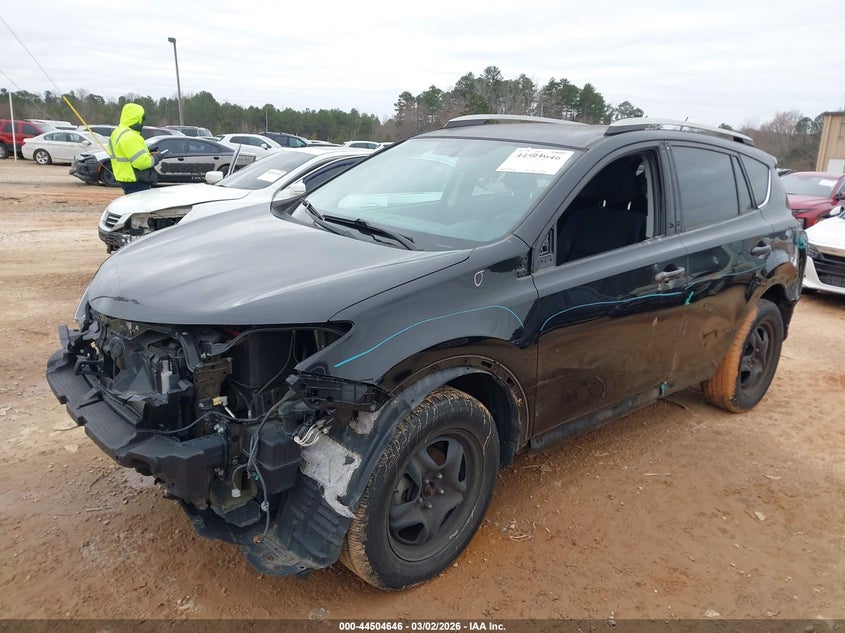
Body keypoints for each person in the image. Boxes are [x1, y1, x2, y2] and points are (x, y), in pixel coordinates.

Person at [108, 103, 157, 195]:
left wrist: (147, 152)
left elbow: (126, 153)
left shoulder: (117, 132)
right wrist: (156, 159)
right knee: (141, 207)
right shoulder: (131, 136)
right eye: (142, 119)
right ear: (137, 118)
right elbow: (141, 163)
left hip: (124, 177)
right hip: (136, 179)